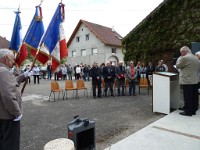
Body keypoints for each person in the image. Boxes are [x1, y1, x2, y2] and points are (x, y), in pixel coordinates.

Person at [0, 49, 31, 150]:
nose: (14, 62)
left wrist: (23, 76)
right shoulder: (4, 71)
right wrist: (16, 112)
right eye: (12, 59)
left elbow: (10, 83)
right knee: (10, 144)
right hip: (8, 116)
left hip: (2, 115)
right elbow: (7, 95)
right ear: (5, 58)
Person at [176, 46, 200, 116]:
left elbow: (177, 66)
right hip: (195, 80)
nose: (181, 54)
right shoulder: (195, 58)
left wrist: (180, 57)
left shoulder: (185, 58)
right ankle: (193, 110)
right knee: (194, 96)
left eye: (181, 52)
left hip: (187, 80)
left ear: (184, 51)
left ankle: (188, 111)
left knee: (187, 96)